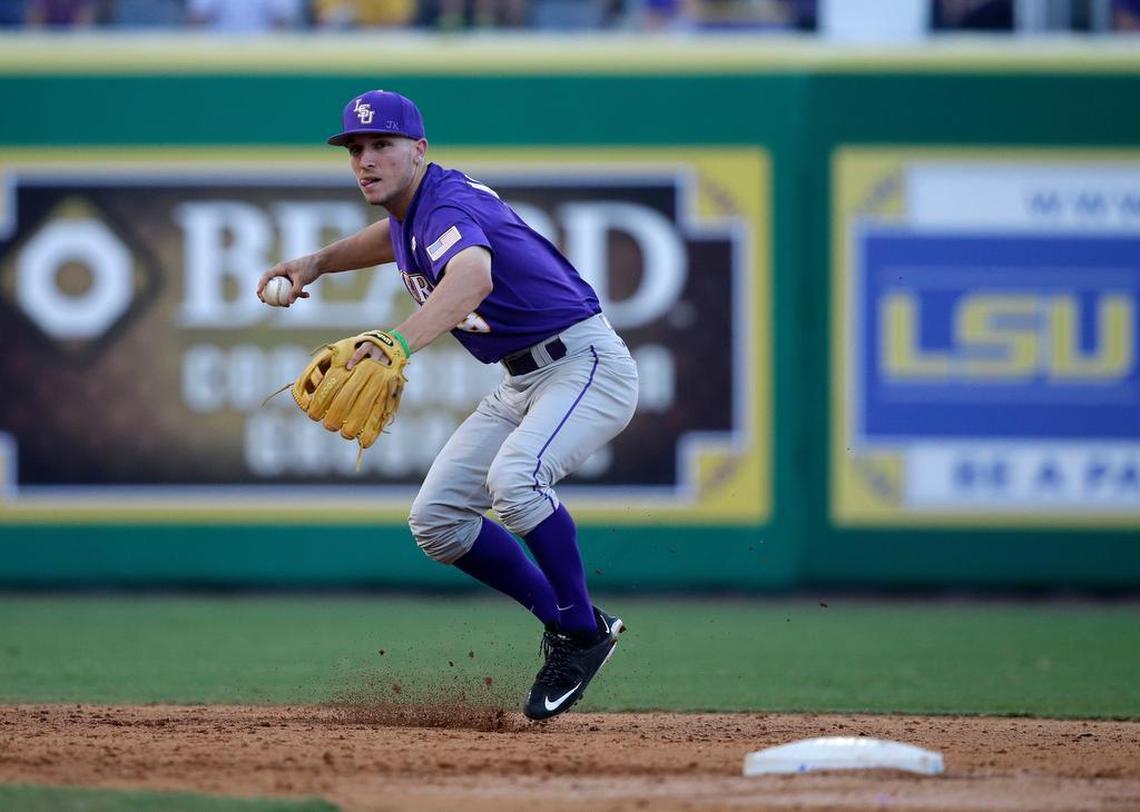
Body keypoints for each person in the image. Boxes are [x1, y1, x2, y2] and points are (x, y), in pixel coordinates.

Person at [257, 90, 639, 721]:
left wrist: (398, 342)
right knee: (437, 520)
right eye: (356, 148)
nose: (366, 160)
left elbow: (472, 279)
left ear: (419, 150)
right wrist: (316, 262)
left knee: (516, 481)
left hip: (584, 366)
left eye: (382, 145)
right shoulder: (416, 209)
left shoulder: (447, 203)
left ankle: (580, 634)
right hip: (522, 380)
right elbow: (393, 236)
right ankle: (576, 627)